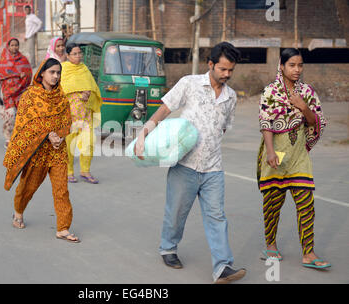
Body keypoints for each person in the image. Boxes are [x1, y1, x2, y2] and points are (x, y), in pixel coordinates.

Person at [134, 42, 246, 284]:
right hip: (184, 164)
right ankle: (168, 248)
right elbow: (164, 110)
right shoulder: (190, 83)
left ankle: (222, 266)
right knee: (176, 212)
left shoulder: (231, 97)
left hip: (213, 168)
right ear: (211, 64)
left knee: (217, 216)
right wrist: (143, 135)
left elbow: (223, 128)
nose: (227, 75)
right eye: (223, 69)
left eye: (231, 71)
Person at [257, 48, 330, 269]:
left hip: (298, 154)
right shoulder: (270, 92)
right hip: (276, 154)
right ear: (281, 65)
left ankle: (308, 253)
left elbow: (315, 121)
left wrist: (303, 106)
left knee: (306, 204)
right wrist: (270, 152)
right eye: (292, 65)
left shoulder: (307, 91)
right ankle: (270, 245)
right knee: (272, 204)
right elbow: (266, 123)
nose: (297, 69)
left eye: (300, 65)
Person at [3, 58, 80, 243]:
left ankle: (63, 227)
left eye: (58, 73)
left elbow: (66, 120)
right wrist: (47, 134)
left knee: (62, 190)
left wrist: (59, 135)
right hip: (36, 151)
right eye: (52, 72)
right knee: (29, 186)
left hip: (57, 150)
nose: (55, 76)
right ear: (42, 73)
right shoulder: (30, 96)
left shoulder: (61, 96)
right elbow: (25, 124)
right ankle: (18, 212)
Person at [61, 43, 102, 184]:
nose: (79, 56)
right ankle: (68, 172)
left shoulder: (84, 69)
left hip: (85, 115)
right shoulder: (63, 70)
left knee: (89, 142)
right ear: (68, 55)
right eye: (75, 54)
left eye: (80, 53)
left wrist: (88, 94)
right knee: (68, 145)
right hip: (70, 116)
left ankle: (85, 171)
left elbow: (93, 89)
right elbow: (59, 91)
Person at [0, 38, 32, 148]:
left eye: (16, 45)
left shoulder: (23, 60)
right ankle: (8, 137)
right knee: (10, 114)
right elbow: (0, 77)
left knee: (20, 115)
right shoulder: (3, 60)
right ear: (8, 46)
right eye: (12, 45)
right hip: (7, 92)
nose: (14, 47)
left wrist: (24, 75)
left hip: (20, 91)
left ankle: (18, 136)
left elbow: (29, 73)